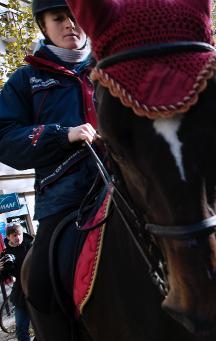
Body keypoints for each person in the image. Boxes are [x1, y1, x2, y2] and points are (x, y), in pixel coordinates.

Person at [0, 0, 98, 337]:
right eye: (59, 18)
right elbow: (4, 136)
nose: (70, 24)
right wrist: (61, 135)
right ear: (44, 26)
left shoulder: (111, 64)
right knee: (39, 283)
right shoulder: (26, 80)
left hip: (129, 183)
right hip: (64, 199)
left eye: (75, 16)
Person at [0, 224, 34, 341]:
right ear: (8, 237)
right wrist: (1, 269)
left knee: (42, 325)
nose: (18, 237)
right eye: (14, 235)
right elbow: (2, 278)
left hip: (37, 289)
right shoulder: (5, 254)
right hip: (20, 294)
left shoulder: (32, 245)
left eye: (19, 234)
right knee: (21, 328)